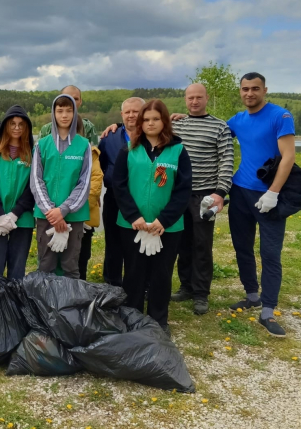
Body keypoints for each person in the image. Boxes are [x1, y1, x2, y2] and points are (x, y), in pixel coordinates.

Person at [113, 99, 192, 336]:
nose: (150, 123)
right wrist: (133, 216)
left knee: (161, 273)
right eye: (145, 119)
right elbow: (119, 185)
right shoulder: (129, 150)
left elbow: (183, 189)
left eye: (155, 119)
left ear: (164, 121)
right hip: (132, 225)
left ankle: (159, 320)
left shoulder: (178, 150)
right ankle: (132, 316)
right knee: (134, 272)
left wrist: (164, 221)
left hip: (167, 227)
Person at [226, 73, 295, 337]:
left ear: (265, 90)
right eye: (245, 89)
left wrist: (273, 192)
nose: (250, 93)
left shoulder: (280, 116)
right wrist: (179, 118)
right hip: (241, 191)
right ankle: (252, 295)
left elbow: (288, 156)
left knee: (270, 253)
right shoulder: (237, 120)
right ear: (240, 91)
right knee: (242, 247)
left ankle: (268, 311)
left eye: (255, 89)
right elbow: (211, 132)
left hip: (270, 195)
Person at [167, 84, 234, 315]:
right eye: (190, 97)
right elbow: (149, 128)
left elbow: (226, 161)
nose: (194, 101)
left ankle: (201, 293)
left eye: (199, 97)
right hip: (178, 194)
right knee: (181, 243)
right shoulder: (177, 125)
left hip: (204, 195)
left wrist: (220, 193)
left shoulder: (220, 127)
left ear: (207, 98)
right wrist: (115, 126)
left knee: (202, 245)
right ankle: (185, 286)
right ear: (185, 99)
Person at [31, 94, 92, 279]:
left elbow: (85, 182)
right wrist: (51, 211)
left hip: (74, 216)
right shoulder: (43, 144)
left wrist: (64, 210)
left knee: (70, 266)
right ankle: (44, 306)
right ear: (53, 113)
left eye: (69, 110)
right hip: (46, 215)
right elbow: (36, 180)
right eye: (60, 111)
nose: (64, 115)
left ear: (75, 113)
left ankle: (70, 307)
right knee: (46, 264)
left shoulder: (84, 145)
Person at [0, 105, 35, 279]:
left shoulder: (33, 152)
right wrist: (0, 215)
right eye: (12, 123)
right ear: (5, 125)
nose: (17, 127)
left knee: (17, 270)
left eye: (21, 124)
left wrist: (14, 214)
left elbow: (32, 187)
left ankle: (14, 304)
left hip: (23, 219)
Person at [98, 97, 145, 286]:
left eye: (136, 111)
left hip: (142, 198)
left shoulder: (153, 136)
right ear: (122, 115)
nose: (132, 115)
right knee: (113, 241)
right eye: (128, 112)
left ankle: (140, 284)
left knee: (139, 241)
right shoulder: (109, 138)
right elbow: (100, 166)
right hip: (114, 198)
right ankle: (112, 282)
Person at [78, 146, 103, 280]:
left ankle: (79, 294)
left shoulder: (90, 152)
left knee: (82, 258)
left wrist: (79, 212)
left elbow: (95, 182)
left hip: (85, 217)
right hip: (57, 217)